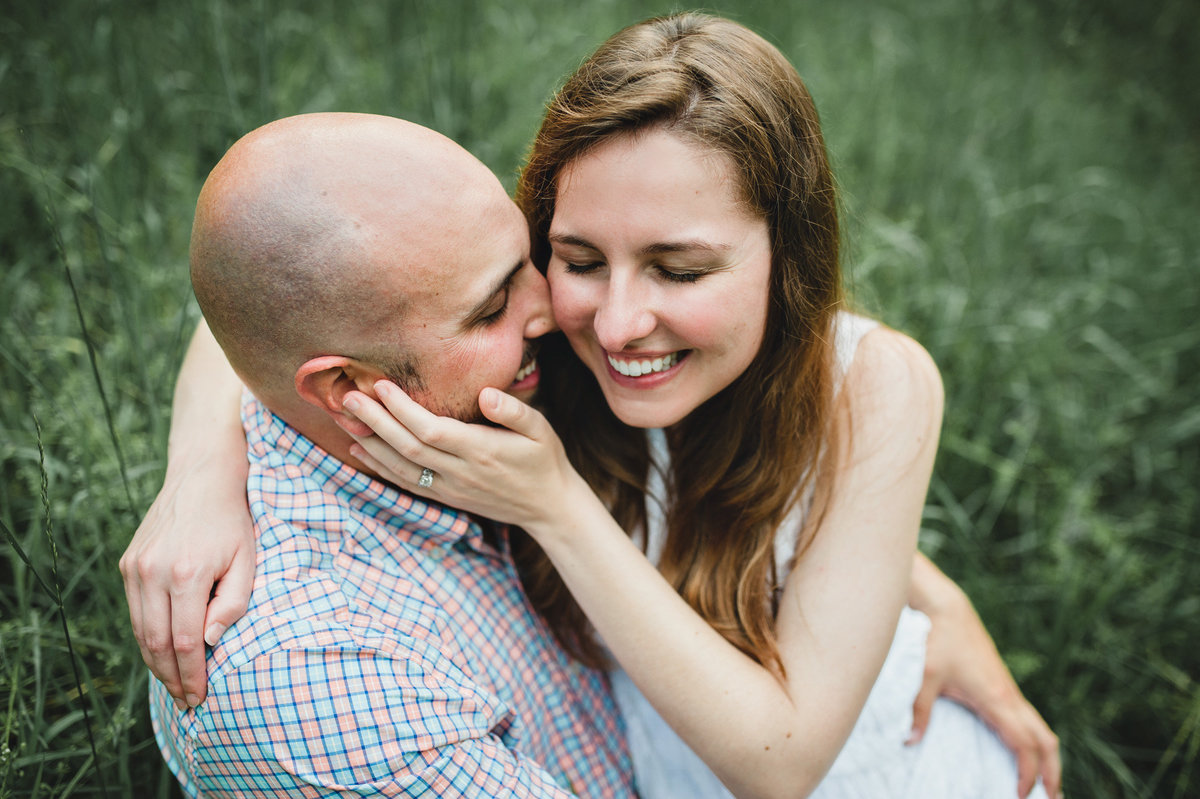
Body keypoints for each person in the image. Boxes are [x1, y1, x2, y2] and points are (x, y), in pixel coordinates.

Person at [122, 15, 1060, 799]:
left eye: (680, 268)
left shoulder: (875, 381)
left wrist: (934, 594)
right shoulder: (541, 336)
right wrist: (201, 471)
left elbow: (782, 761)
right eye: (574, 258)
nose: (612, 323)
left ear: (790, 252)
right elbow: (295, 291)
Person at [137, 111, 635, 797]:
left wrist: (198, 459)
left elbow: (278, 285)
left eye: (531, 259)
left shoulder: (394, 340)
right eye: (492, 308)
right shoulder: (323, 674)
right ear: (345, 386)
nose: (553, 303)